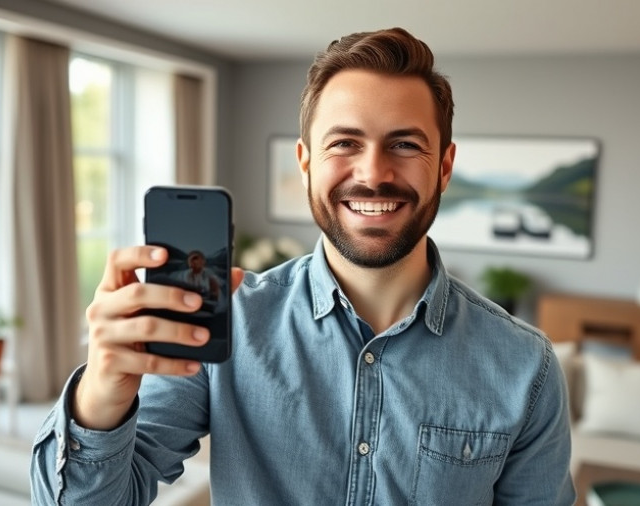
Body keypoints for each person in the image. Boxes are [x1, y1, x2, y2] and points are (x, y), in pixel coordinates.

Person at [31, 27, 575, 505]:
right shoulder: (227, 325)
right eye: (345, 143)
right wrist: (103, 388)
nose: (374, 173)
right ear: (306, 162)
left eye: (405, 145)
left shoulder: (526, 367)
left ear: (446, 167)